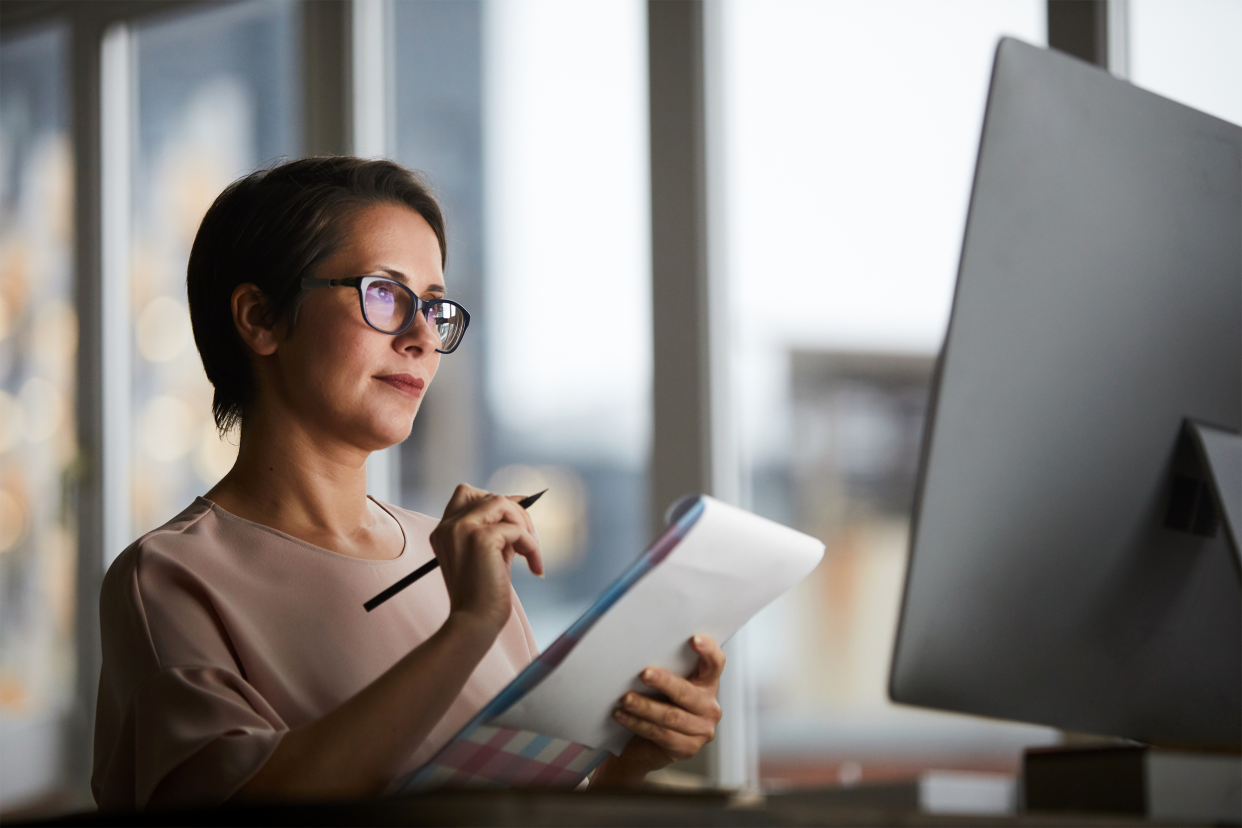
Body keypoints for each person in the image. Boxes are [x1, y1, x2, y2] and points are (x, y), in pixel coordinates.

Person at [92, 157, 724, 810]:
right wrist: (469, 626)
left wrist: (628, 765)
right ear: (259, 318)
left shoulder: (452, 555)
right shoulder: (169, 578)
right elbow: (244, 806)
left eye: (434, 306)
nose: (424, 337)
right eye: (386, 296)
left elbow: (525, 808)